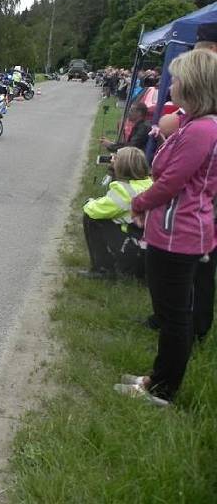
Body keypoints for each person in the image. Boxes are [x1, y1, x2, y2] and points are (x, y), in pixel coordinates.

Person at [116, 48, 217, 406]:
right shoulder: (195, 125)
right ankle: (157, 377)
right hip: (177, 229)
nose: (170, 84)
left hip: (179, 233)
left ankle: (162, 389)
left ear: (195, 85)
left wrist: (139, 203)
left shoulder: (201, 130)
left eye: (177, 79)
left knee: (174, 316)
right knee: (170, 312)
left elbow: (172, 180)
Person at [82, 147, 152, 278]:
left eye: (116, 158)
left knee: (91, 217)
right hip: (149, 249)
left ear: (123, 166)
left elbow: (93, 210)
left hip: (132, 249)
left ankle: (102, 269)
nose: (112, 159)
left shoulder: (123, 190)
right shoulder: (150, 184)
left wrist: (90, 201)